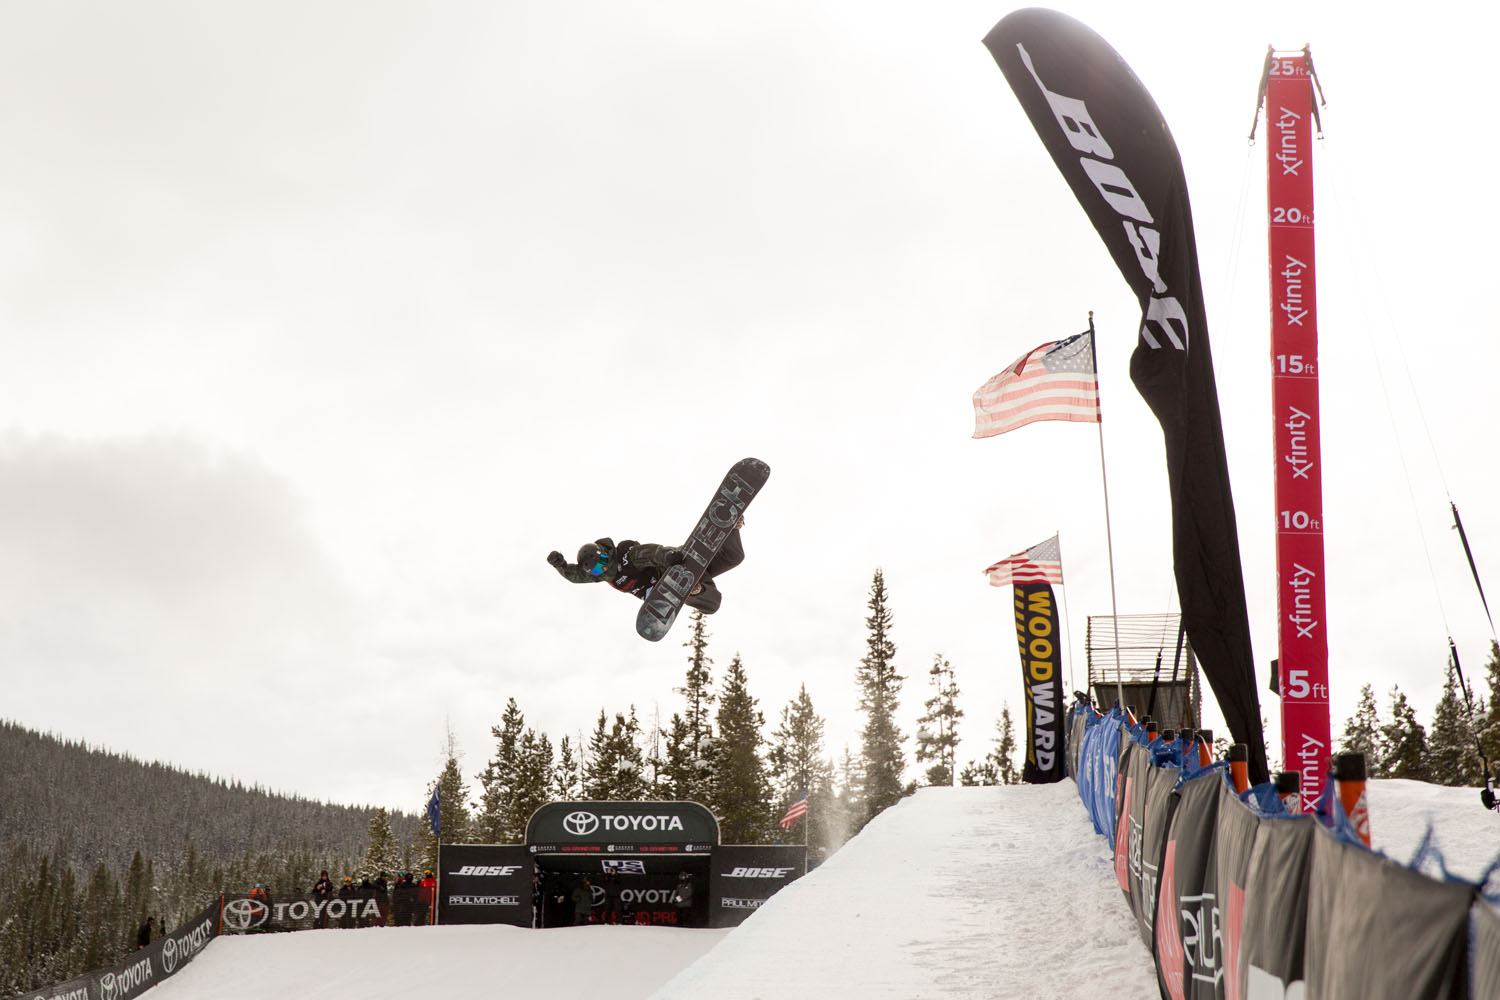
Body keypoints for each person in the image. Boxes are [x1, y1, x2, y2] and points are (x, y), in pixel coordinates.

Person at [547, 520, 745, 616]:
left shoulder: (626, 556)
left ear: (606, 556)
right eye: (597, 571)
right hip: (663, 590)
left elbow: (650, 553)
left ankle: (732, 527)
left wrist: (669, 557)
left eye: (602, 565)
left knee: (732, 560)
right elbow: (575, 576)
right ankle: (694, 589)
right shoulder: (602, 576)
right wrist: (560, 565)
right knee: (715, 599)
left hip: (670, 568)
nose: (603, 571)